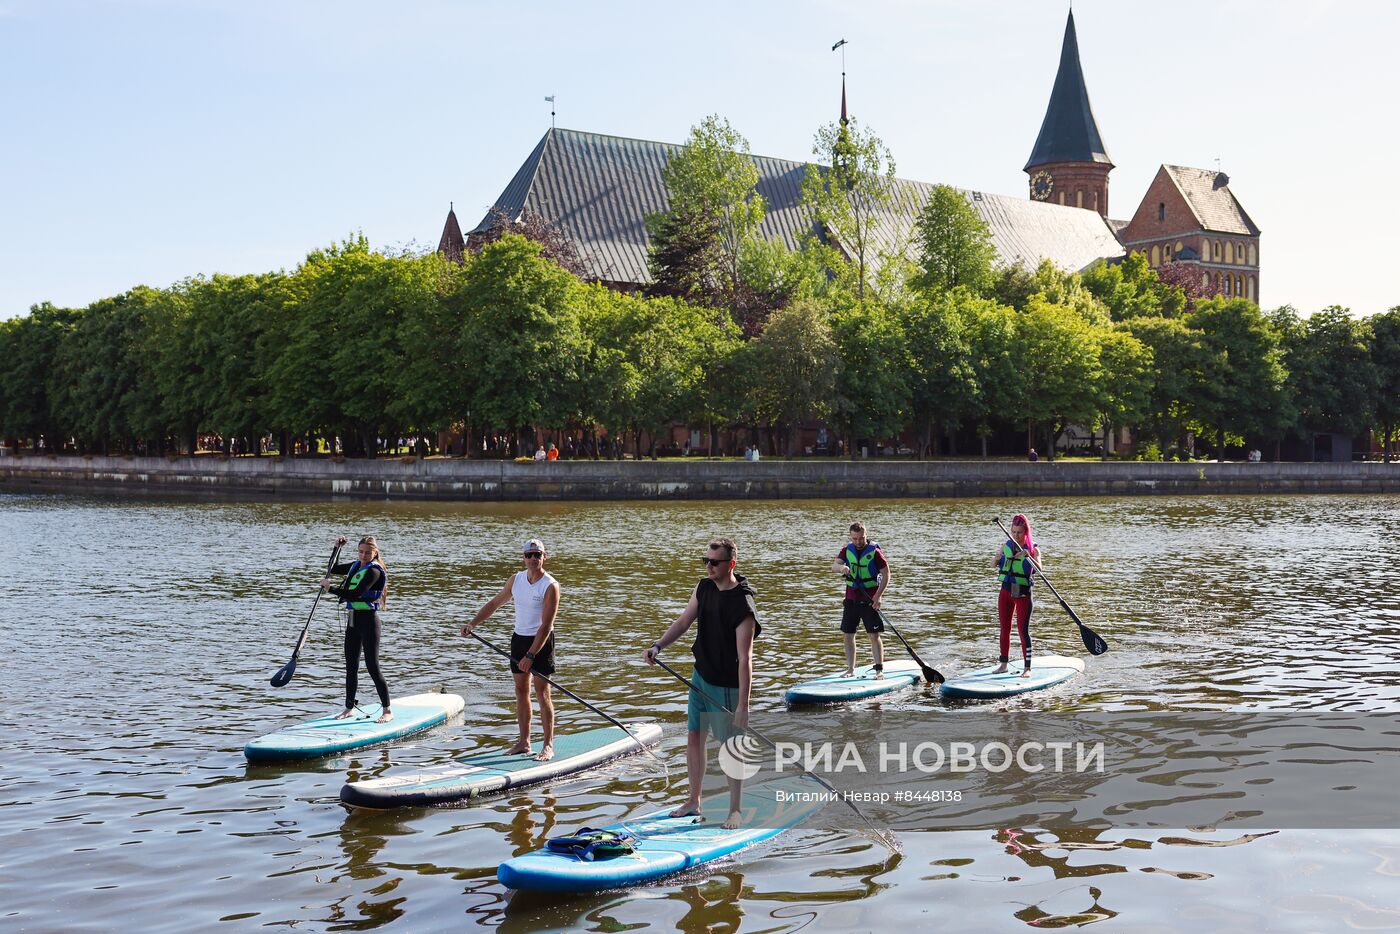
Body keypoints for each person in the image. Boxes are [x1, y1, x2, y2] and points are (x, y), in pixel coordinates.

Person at [643, 538, 759, 829]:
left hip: (727, 685)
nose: (709, 566)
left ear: (730, 564)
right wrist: (658, 646)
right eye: (705, 561)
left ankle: (735, 810)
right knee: (694, 737)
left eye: (714, 562)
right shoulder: (703, 587)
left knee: (730, 747)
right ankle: (694, 800)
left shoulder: (743, 605)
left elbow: (745, 659)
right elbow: (683, 621)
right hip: (700, 677)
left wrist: (743, 706)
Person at [462, 539, 560, 761]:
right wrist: (473, 623)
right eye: (529, 555)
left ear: (545, 557)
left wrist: (531, 655)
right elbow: (494, 604)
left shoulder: (550, 585)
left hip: (541, 643)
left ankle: (548, 745)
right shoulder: (515, 580)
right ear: (523, 558)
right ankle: (524, 742)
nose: (533, 558)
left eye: (537, 554)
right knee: (520, 691)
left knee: (542, 693)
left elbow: (546, 626)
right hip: (519, 640)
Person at [321, 535, 392, 722]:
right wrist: (337, 548)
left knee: (372, 667)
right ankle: (348, 708)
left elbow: (356, 594)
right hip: (353, 621)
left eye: (368, 552)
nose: (364, 555)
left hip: (369, 622)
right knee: (351, 667)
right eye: (360, 552)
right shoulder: (355, 565)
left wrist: (331, 589)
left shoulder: (374, 572)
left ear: (375, 552)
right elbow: (333, 569)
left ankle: (387, 711)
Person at [830, 521, 888, 678]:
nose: (858, 542)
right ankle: (850, 669)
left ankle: (879, 670)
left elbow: (886, 574)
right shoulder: (846, 550)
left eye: (861, 538)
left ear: (866, 535)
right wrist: (842, 568)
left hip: (870, 599)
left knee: (874, 635)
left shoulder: (875, 552)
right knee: (848, 634)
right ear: (851, 536)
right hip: (851, 599)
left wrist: (878, 596)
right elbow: (834, 566)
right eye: (855, 539)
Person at [993, 514, 1040, 677]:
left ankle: (1027, 669)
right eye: (1013, 532)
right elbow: (993, 564)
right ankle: (1003, 664)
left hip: (1023, 595)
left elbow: (1040, 569)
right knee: (1004, 629)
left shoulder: (1033, 549)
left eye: (1019, 532)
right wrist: (997, 557)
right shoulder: (1006, 546)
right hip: (1005, 591)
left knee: (1022, 631)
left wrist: (1028, 555)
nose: (1015, 535)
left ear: (1026, 532)